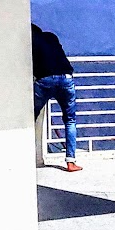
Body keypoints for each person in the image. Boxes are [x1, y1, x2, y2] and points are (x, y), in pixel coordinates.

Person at [31, 23, 81, 172]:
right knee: (70, 120)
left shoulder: (31, 41)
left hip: (45, 80)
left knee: (30, 116)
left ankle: (26, 155)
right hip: (66, 78)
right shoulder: (51, 37)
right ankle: (71, 162)